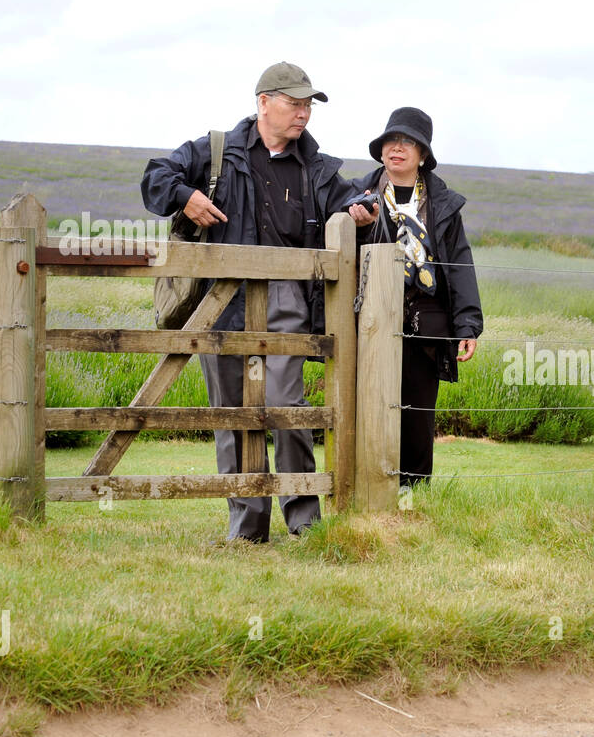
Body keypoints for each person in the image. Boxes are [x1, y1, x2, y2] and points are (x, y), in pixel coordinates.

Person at [141, 62, 375, 542]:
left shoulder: (318, 168)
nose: (304, 114)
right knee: (231, 416)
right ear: (264, 101)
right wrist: (184, 196)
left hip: (287, 302)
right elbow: (154, 176)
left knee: (286, 408)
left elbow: (357, 198)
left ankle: (304, 523)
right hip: (220, 304)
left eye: (309, 105)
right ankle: (247, 528)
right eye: (295, 103)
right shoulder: (214, 153)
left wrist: (362, 210)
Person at [346, 107, 483, 486]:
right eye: (392, 140)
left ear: (423, 154)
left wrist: (467, 326)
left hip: (427, 324)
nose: (398, 148)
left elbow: (459, 265)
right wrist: (360, 227)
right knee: (369, 409)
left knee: (417, 415)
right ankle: (370, 494)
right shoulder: (357, 196)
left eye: (408, 142)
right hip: (371, 320)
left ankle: (412, 498)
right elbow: (344, 254)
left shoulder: (443, 204)